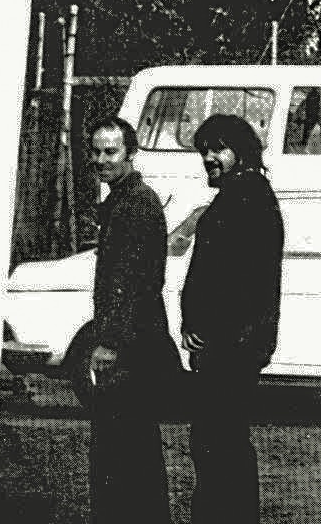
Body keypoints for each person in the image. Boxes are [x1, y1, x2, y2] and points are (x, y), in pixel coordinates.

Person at [181, 114, 284, 524]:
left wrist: (207, 331)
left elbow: (242, 283)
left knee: (217, 442)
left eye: (218, 149)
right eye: (204, 150)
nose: (208, 158)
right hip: (228, 345)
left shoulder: (248, 198)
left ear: (241, 152)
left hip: (231, 347)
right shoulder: (242, 194)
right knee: (217, 441)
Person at [87, 115, 179, 524]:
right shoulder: (124, 201)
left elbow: (134, 283)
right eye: (96, 151)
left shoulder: (135, 204)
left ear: (130, 154)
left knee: (123, 450)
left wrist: (110, 343)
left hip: (131, 350)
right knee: (128, 449)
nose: (101, 160)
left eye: (111, 151)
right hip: (132, 345)